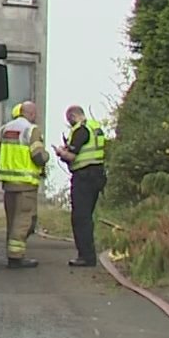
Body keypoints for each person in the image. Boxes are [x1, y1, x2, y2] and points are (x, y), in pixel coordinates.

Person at [0, 100, 49, 269]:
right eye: (35, 113)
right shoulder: (31, 130)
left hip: (8, 184)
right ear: (30, 113)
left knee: (12, 219)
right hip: (26, 184)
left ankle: (12, 253)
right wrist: (47, 157)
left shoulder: (4, 129)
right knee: (24, 219)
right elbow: (38, 155)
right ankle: (16, 257)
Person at [56, 105, 109, 267]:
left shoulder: (81, 130)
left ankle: (86, 256)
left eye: (69, 121)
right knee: (86, 216)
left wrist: (60, 152)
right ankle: (88, 254)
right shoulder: (95, 127)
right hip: (97, 175)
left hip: (84, 177)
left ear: (72, 116)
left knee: (80, 218)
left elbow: (71, 156)